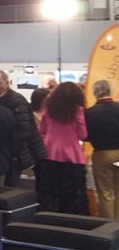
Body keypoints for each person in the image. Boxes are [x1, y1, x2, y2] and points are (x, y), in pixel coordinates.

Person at [36, 80, 88, 215]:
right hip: (73, 156)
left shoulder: (48, 110)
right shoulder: (78, 111)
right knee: (73, 194)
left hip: (50, 154)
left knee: (51, 191)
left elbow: (42, 130)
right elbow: (82, 135)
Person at [0, 70, 47, 185]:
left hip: (15, 153)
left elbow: (22, 129)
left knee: (11, 185)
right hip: (7, 152)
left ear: (7, 83)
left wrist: (14, 152)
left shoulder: (15, 100)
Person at [85, 80, 119, 219]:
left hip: (101, 154)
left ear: (95, 93)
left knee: (105, 192)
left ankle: (109, 225)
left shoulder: (90, 113)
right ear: (109, 91)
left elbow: (85, 136)